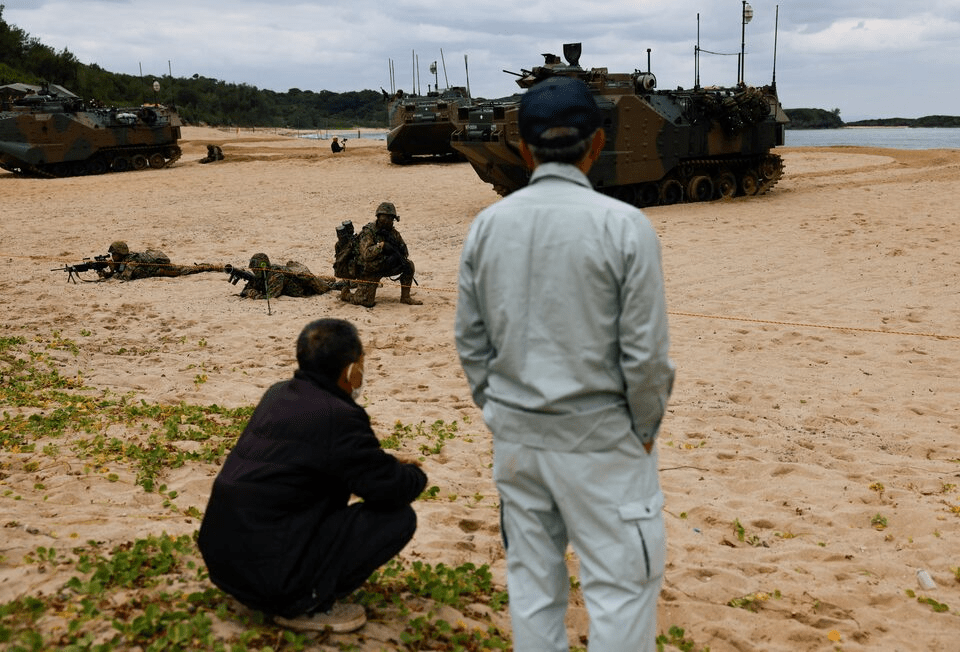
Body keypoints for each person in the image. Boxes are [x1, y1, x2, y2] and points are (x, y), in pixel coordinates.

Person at [454, 77, 675, 652]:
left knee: (532, 586)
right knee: (621, 589)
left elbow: (471, 343)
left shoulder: (488, 228)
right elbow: (645, 355)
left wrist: (501, 411)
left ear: (524, 150)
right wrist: (644, 429)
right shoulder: (625, 227)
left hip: (519, 440)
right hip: (603, 439)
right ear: (597, 144)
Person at [198, 318, 427, 632]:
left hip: (225, 562)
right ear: (350, 371)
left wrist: (379, 462)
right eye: (361, 363)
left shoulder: (277, 394)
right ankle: (305, 601)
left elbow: (317, 457)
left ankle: (291, 585)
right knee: (398, 517)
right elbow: (391, 488)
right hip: (272, 576)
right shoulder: (340, 415)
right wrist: (413, 472)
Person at [344, 201, 422, 307]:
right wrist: (381, 246)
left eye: (390, 218)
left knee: (408, 265)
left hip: (385, 265)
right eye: (385, 218)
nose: (387, 221)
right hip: (369, 270)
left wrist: (400, 248)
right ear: (378, 217)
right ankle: (346, 294)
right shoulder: (369, 232)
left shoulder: (392, 233)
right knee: (366, 302)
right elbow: (366, 254)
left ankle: (405, 297)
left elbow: (404, 252)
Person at [98, 241, 223, 281]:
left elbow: (125, 278)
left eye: (114, 254)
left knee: (190, 270)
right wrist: (106, 272)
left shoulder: (132, 262)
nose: (112, 256)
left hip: (165, 269)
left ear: (120, 254)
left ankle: (211, 267)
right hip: (157, 269)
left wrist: (112, 271)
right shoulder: (125, 259)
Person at [238, 252, 335, 299]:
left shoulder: (276, 275)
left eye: (256, 269)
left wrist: (252, 293)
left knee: (330, 287)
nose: (254, 272)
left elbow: (271, 296)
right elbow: (244, 291)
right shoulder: (263, 276)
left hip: (306, 288)